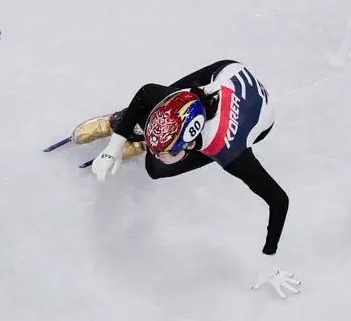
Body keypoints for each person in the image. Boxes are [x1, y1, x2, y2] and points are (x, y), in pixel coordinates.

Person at [78, 60, 300, 299]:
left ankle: (141, 138)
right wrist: (115, 144)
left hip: (255, 120)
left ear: (190, 146)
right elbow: (146, 92)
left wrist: (269, 261)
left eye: (164, 149)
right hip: (227, 73)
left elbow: (279, 200)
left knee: (155, 168)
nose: (158, 152)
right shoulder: (183, 100)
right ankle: (126, 124)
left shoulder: (229, 151)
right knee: (156, 109)